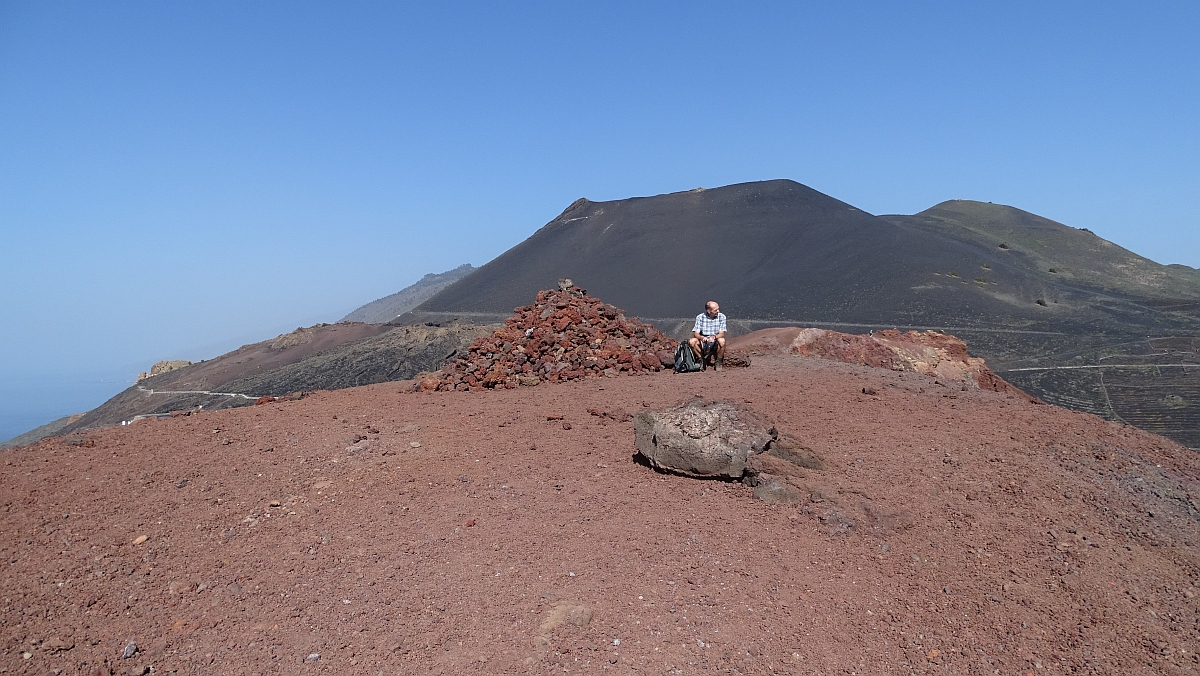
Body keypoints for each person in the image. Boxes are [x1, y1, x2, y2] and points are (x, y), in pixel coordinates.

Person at [689, 301, 726, 371]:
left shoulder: (722, 317)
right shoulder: (700, 317)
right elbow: (696, 333)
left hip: (715, 340)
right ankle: (701, 360)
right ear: (709, 311)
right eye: (715, 310)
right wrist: (702, 337)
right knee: (692, 341)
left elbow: (722, 333)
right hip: (703, 340)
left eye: (718, 309)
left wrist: (714, 337)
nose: (718, 311)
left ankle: (718, 362)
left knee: (722, 340)